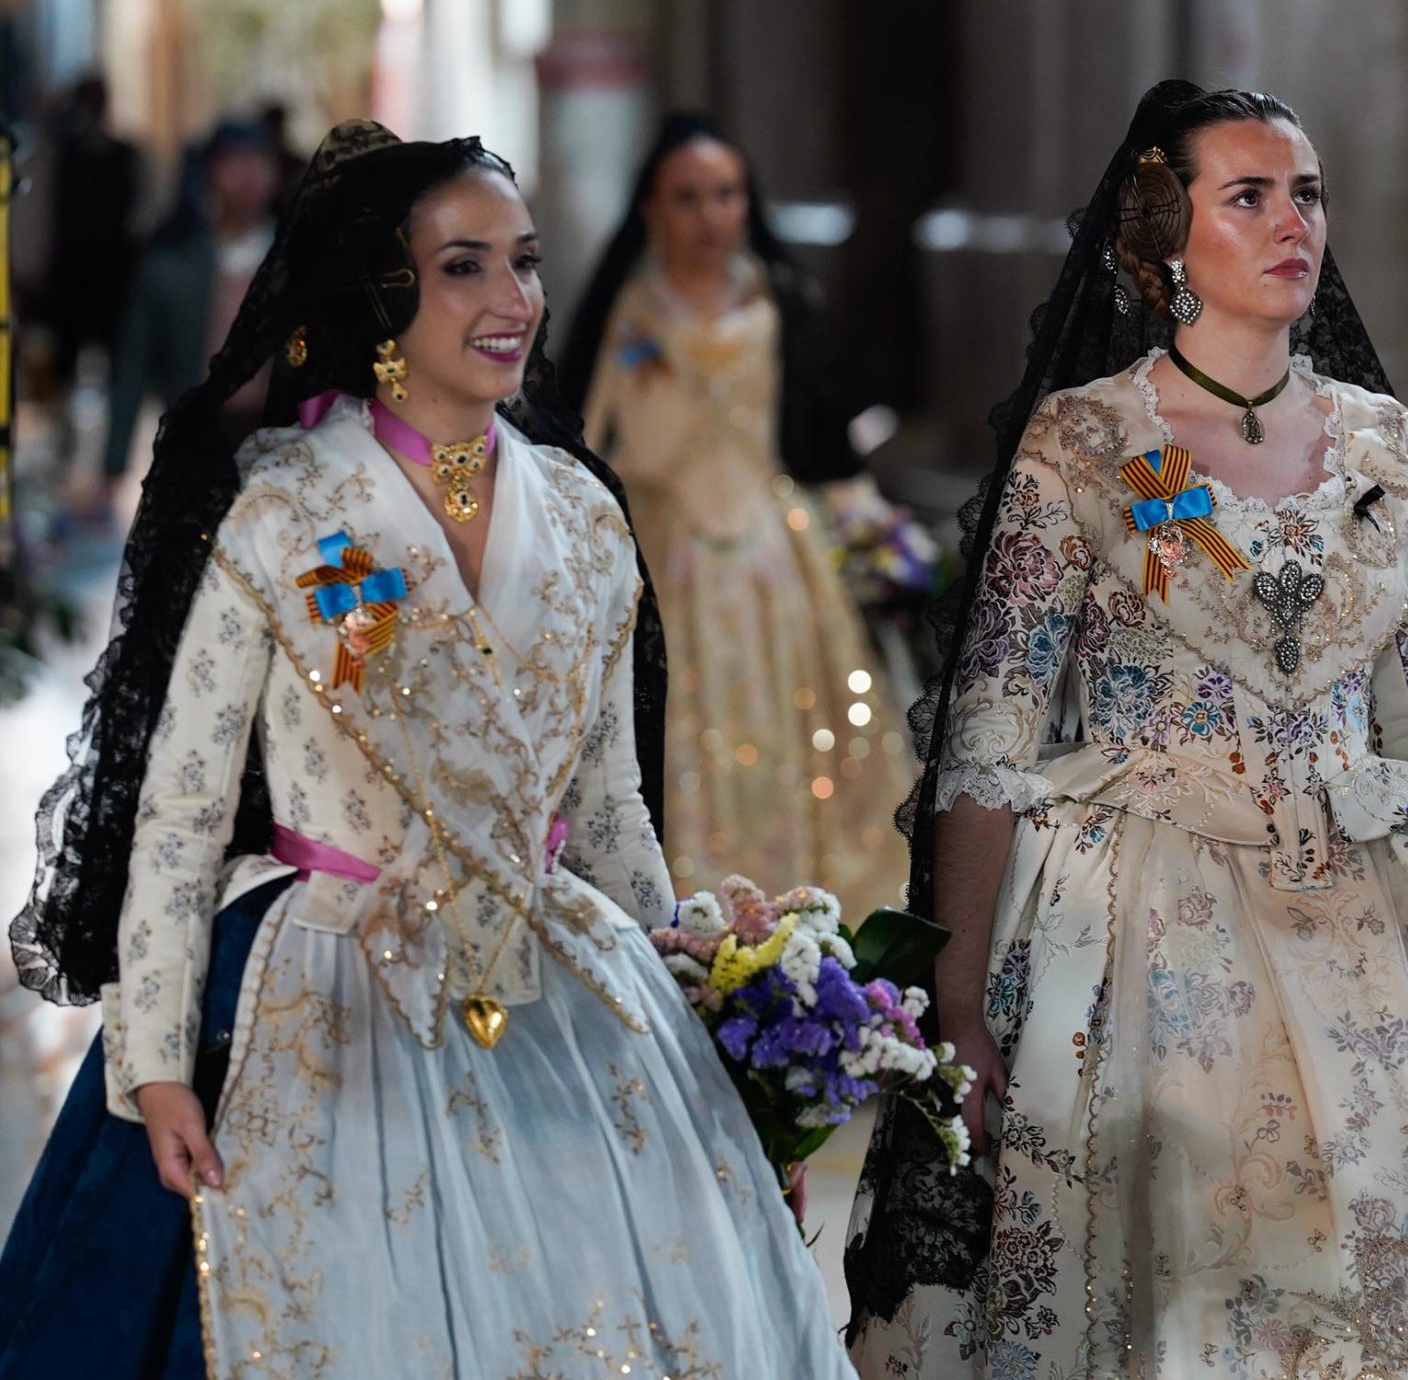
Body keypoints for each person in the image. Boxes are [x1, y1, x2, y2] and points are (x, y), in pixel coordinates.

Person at [842, 81, 1408, 1377]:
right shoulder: (1086, 445)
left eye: (1307, 193)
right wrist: (957, 999)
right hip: (1140, 912)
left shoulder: (1388, 451)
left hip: (1375, 911)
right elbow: (989, 740)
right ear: (1163, 234)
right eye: (1248, 196)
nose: (1294, 222)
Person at [0, 122, 853, 1377]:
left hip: (565, 984)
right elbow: (180, 809)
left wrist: (700, 1023)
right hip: (329, 991)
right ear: (380, 294)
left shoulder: (584, 512)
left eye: (526, 261)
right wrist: (159, 1067)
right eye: (465, 266)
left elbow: (610, 807)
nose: (514, 299)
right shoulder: (290, 506)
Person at [554, 113, 911, 909]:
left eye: (726, 194)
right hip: (662, 550)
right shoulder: (630, 312)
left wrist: (871, 532)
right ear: (651, 208)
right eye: (687, 198)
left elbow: (820, 434)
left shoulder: (779, 301)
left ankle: (793, 907)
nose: (710, 216)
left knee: (792, 729)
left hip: (768, 552)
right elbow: (585, 432)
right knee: (671, 726)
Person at [105, 119, 281, 479]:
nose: (247, 174)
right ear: (210, 172)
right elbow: (133, 365)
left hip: (280, 441)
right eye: (235, 161)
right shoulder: (172, 262)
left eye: (257, 160)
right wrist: (114, 462)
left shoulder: (298, 257)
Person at [36, 75, 143, 380]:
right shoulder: (60, 156)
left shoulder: (124, 156)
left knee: (118, 357)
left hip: (111, 270)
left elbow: (141, 214)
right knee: (66, 361)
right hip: (74, 270)